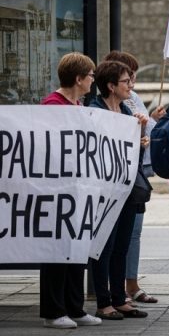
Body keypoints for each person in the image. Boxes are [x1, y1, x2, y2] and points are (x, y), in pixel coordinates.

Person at [39, 53, 102, 329]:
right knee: (56, 251)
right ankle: (53, 310)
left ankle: (74, 306)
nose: (93, 81)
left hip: (77, 189)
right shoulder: (53, 106)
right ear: (78, 79)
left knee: (76, 248)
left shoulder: (78, 104)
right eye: (90, 76)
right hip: (56, 190)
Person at [88, 61, 150, 321]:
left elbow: (130, 156)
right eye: (126, 82)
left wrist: (141, 139)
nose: (131, 86)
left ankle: (118, 298)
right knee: (105, 244)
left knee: (121, 245)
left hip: (124, 189)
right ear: (111, 86)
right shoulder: (94, 111)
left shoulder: (126, 110)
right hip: (104, 191)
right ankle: (104, 302)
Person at [102, 51, 162, 306]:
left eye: (132, 76)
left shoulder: (131, 99)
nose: (132, 82)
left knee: (131, 234)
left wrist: (152, 123)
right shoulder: (104, 106)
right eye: (128, 77)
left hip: (134, 176)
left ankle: (129, 284)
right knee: (113, 239)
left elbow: (146, 130)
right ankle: (110, 291)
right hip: (117, 178)